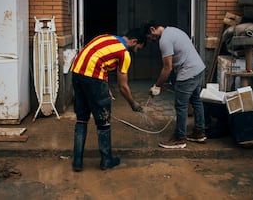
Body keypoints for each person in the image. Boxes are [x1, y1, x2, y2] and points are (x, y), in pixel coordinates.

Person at [70, 28, 146, 172]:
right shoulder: (124, 53)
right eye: (137, 48)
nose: (136, 51)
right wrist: (133, 104)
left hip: (77, 73)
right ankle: (106, 160)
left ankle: (77, 162)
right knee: (103, 121)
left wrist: (104, 86)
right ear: (135, 41)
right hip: (93, 78)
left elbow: (99, 61)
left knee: (81, 119)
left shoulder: (106, 37)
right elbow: (123, 86)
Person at [142, 20, 207, 149]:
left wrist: (157, 86)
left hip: (188, 72)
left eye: (149, 37)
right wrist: (167, 83)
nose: (150, 40)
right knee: (196, 101)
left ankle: (180, 138)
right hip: (198, 68)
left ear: (152, 29)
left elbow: (167, 68)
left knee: (181, 106)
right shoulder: (173, 30)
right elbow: (179, 57)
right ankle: (199, 132)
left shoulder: (164, 40)